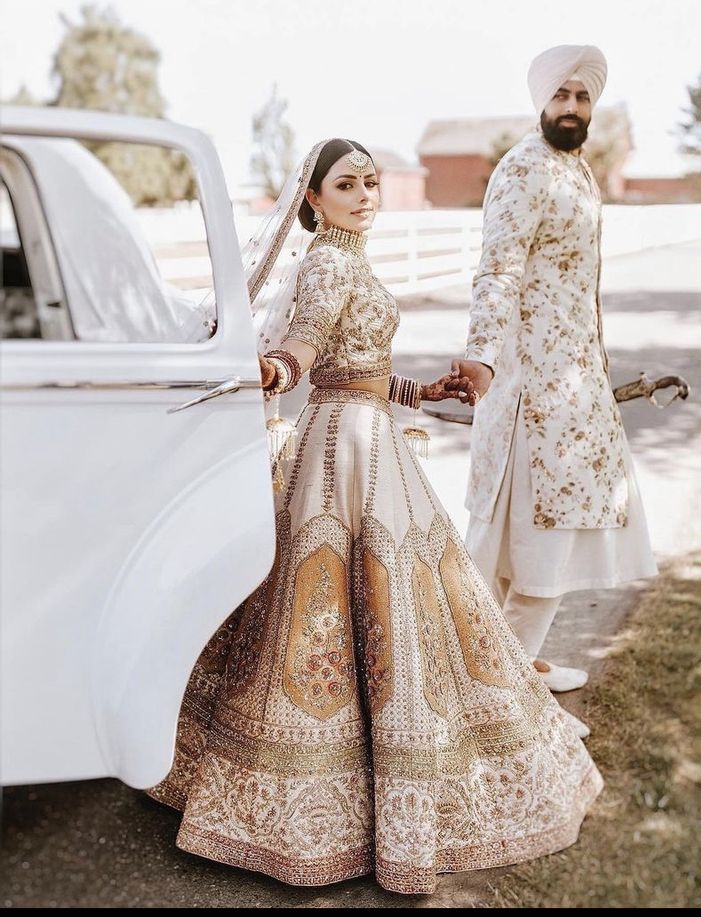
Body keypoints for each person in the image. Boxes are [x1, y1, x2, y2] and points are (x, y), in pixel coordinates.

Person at [146, 138, 603, 895]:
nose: (365, 195)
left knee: (381, 605)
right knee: (342, 611)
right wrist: (273, 369)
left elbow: (357, 367)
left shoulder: (351, 257)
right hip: (340, 451)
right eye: (346, 185)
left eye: (371, 182)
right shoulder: (328, 263)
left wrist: (426, 393)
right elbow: (305, 348)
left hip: (367, 431)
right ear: (313, 201)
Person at [448, 46, 657, 719]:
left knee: (547, 536)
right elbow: (498, 269)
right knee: (537, 541)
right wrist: (480, 354)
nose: (573, 107)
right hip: (531, 394)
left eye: (583, 98)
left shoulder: (576, 169)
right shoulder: (522, 170)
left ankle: (512, 664)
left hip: (575, 386)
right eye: (562, 96)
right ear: (540, 101)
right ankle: (499, 700)